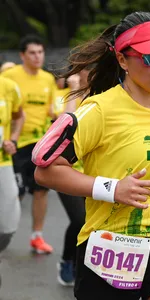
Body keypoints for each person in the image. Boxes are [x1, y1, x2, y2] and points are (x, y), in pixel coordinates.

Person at [33, 11, 150, 300]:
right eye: (149, 57)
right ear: (122, 60)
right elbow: (45, 171)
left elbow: (149, 159)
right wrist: (112, 189)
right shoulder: (98, 110)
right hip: (112, 246)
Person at [2, 35, 56, 254]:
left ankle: (37, 236)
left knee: (41, 190)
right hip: (15, 145)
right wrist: (12, 138)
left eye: (41, 52)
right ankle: (7, 231)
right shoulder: (9, 77)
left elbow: (51, 110)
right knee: (15, 192)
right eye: (32, 53)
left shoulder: (47, 79)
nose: (38, 57)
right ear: (22, 55)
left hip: (40, 143)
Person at [53, 72, 86, 286]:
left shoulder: (104, 96)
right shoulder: (63, 96)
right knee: (79, 219)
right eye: (88, 70)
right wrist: (74, 92)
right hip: (64, 171)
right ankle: (67, 260)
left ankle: (83, 265)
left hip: (93, 173)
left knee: (91, 223)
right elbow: (65, 128)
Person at [0, 76, 24, 287]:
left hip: (3, 163)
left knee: (8, 224)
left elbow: (19, 116)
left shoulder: (8, 87)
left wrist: (13, 139)